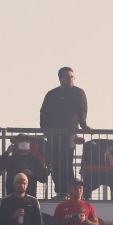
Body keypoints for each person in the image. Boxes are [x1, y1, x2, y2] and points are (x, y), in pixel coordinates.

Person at [39, 66, 89, 194]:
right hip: (53, 134)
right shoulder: (52, 94)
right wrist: (45, 130)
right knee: (55, 163)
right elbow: (44, 112)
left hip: (70, 133)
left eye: (72, 77)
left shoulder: (78, 93)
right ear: (60, 79)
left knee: (67, 162)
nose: (71, 79)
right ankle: (59, 191)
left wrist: (84, 125)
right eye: (67, 77)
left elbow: (81, 111)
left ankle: (69, 191)